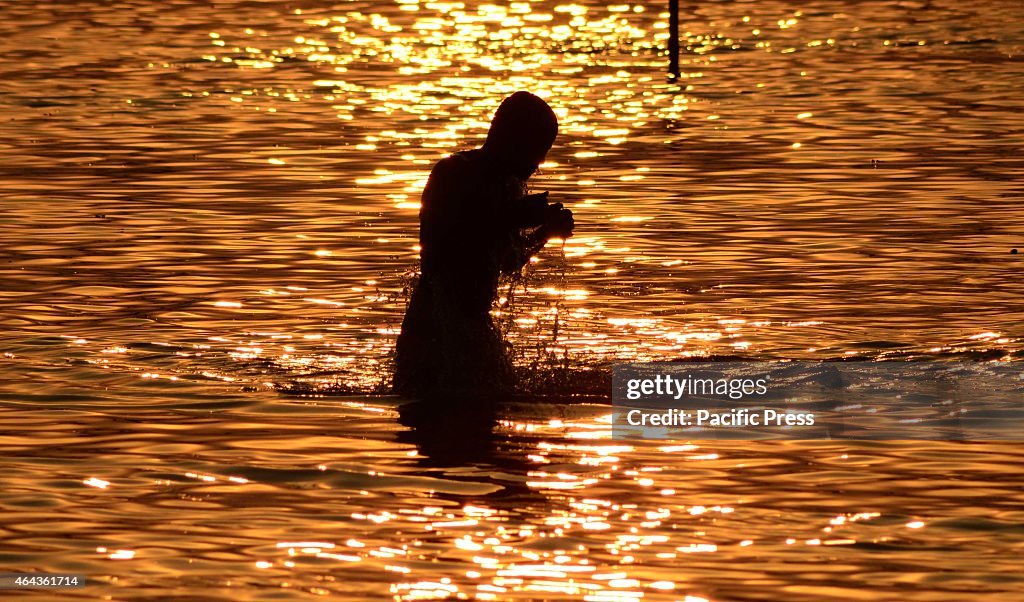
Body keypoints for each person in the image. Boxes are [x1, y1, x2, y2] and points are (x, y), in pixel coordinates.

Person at [393, 91, 574, 399]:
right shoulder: (453, 173)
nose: (539, 163)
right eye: (536, 150)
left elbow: (506, 260)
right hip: (434, 329)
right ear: (510, 138)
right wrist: (515, 216)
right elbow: (459, 234)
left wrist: (544, 233)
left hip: (474, 329)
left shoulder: (507, 185)